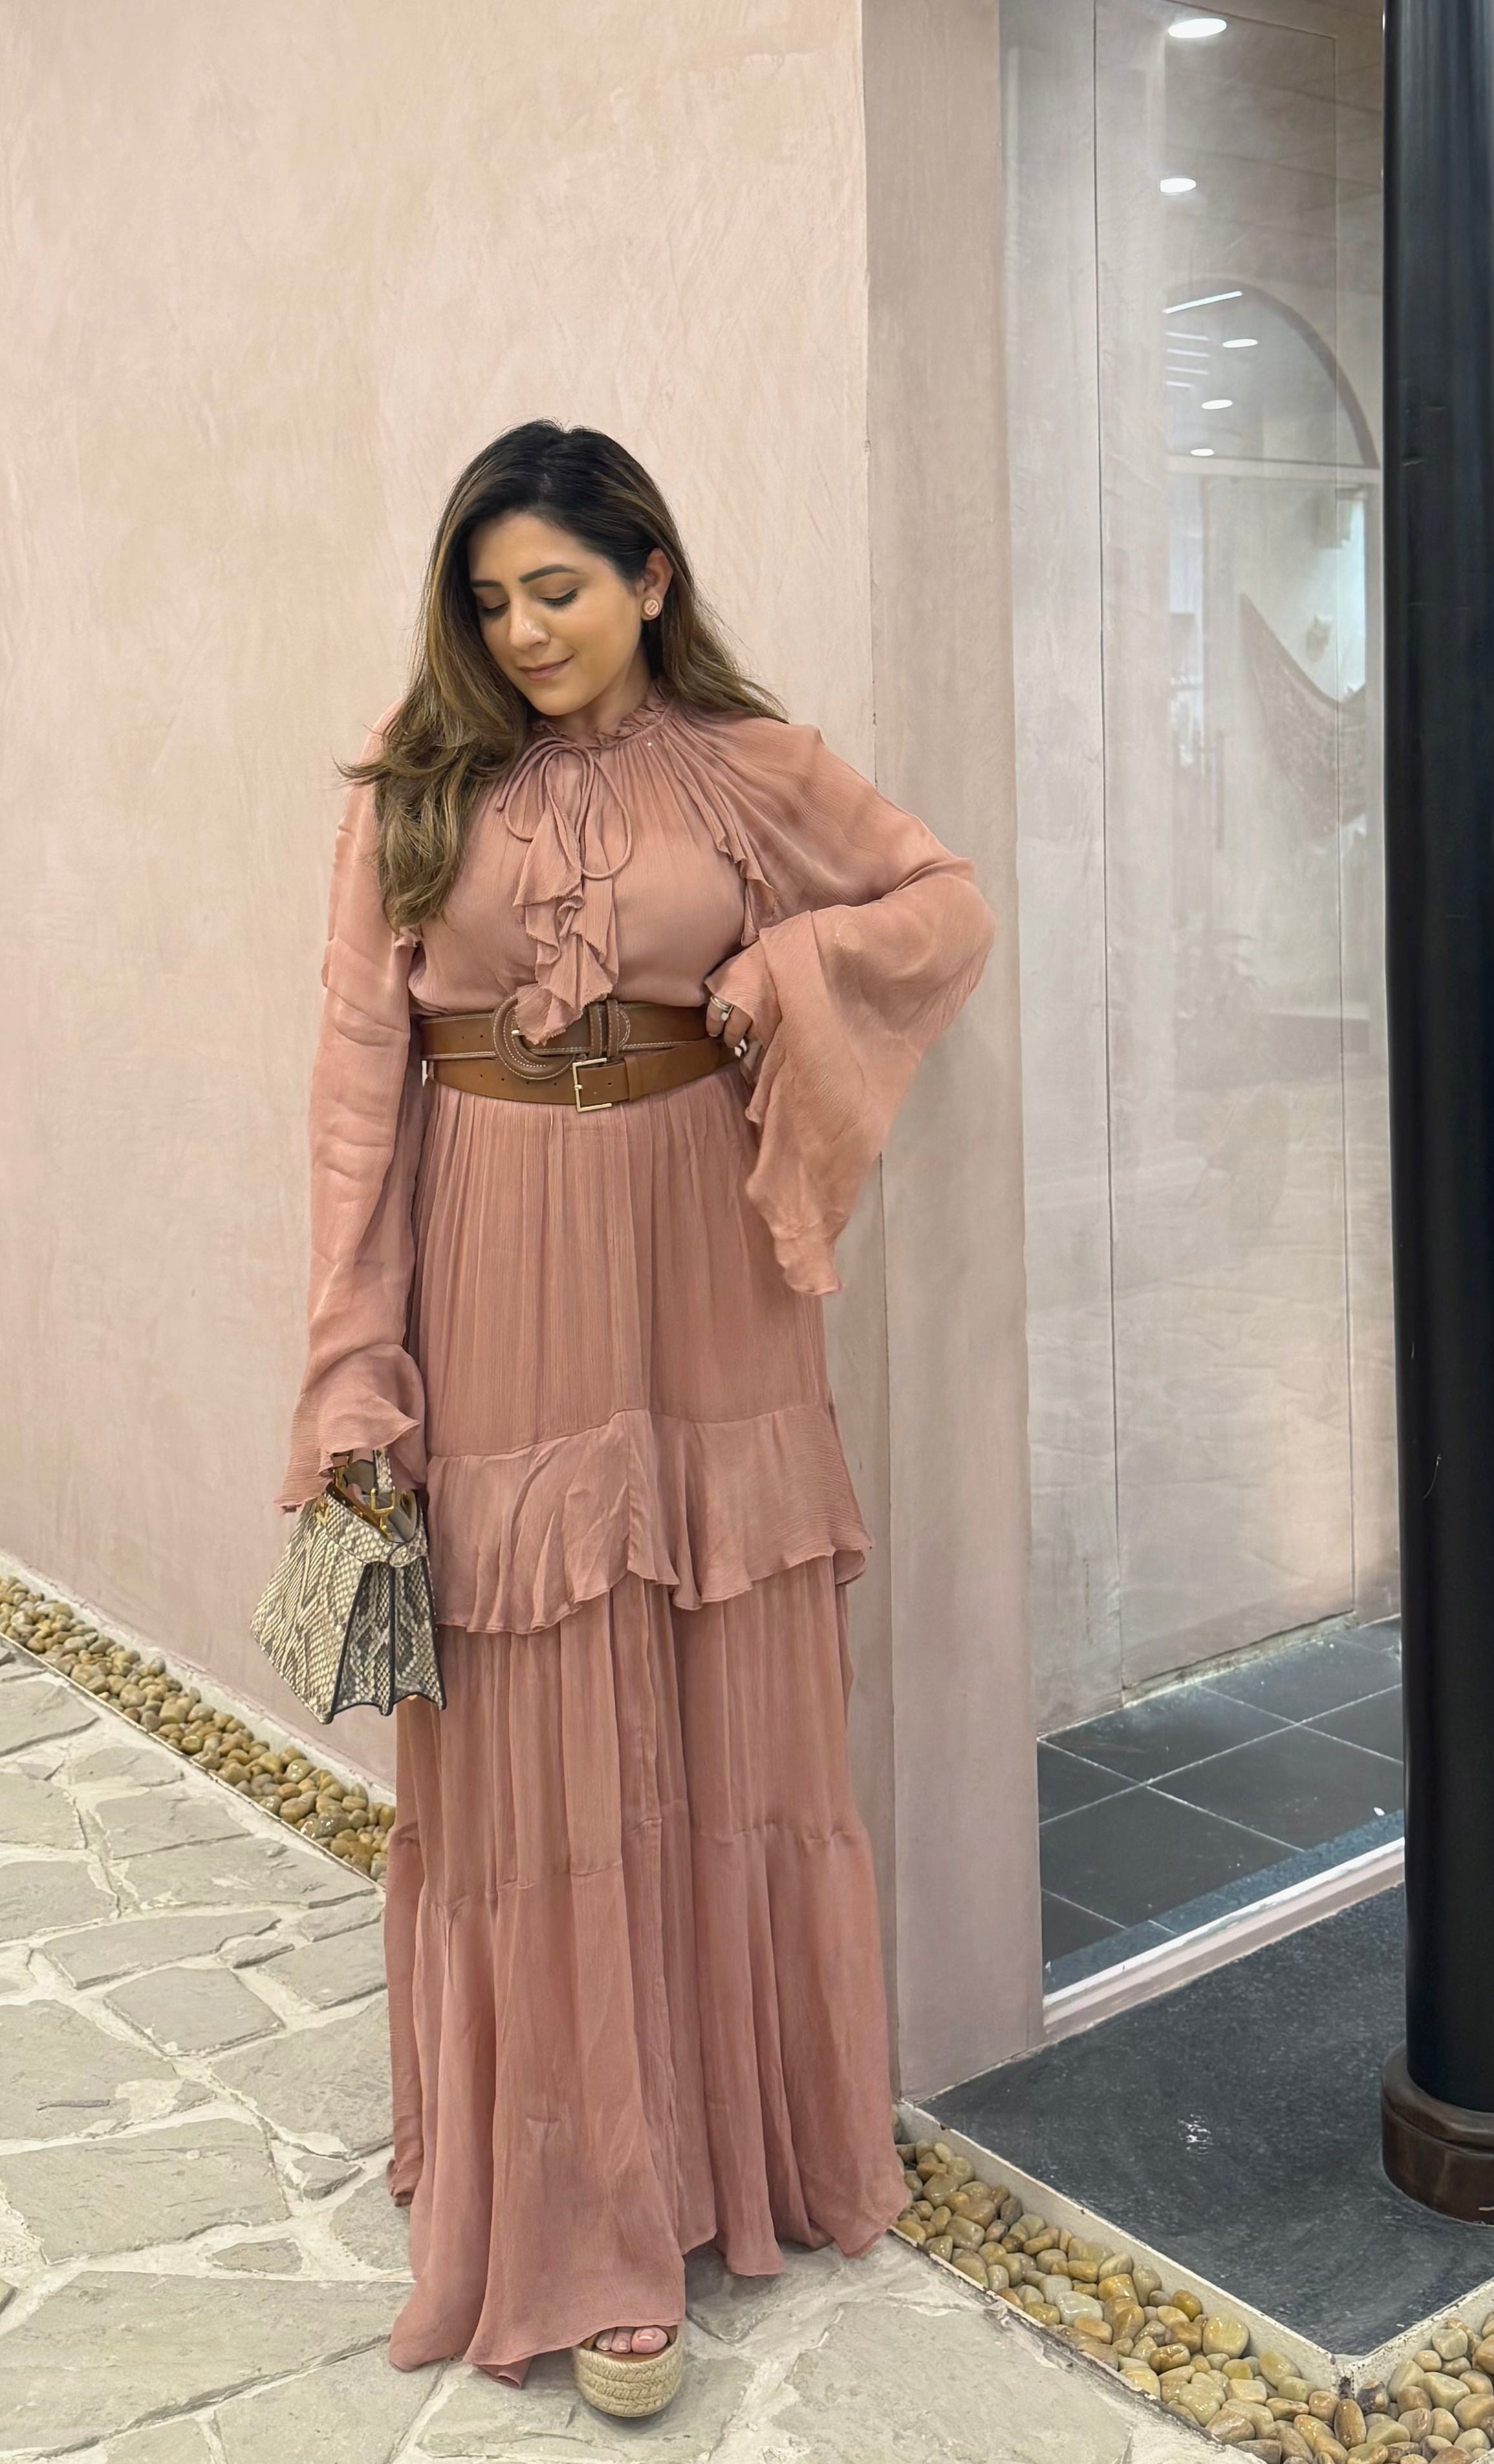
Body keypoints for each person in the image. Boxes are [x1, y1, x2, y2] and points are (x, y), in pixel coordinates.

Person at [276, 419, 996, 2414]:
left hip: (705, 1272)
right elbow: (355, 1097)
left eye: (559, 590)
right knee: (535, 1731)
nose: (522, 632)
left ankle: (748, 2140)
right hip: (496, 1258)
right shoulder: (416, 785)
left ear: (651, 576)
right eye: (491, 598)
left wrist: (791, 963)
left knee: (723, 1692)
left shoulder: (750, 768)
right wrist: (352, 1361)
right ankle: (586, 2216)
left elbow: (940, 907)